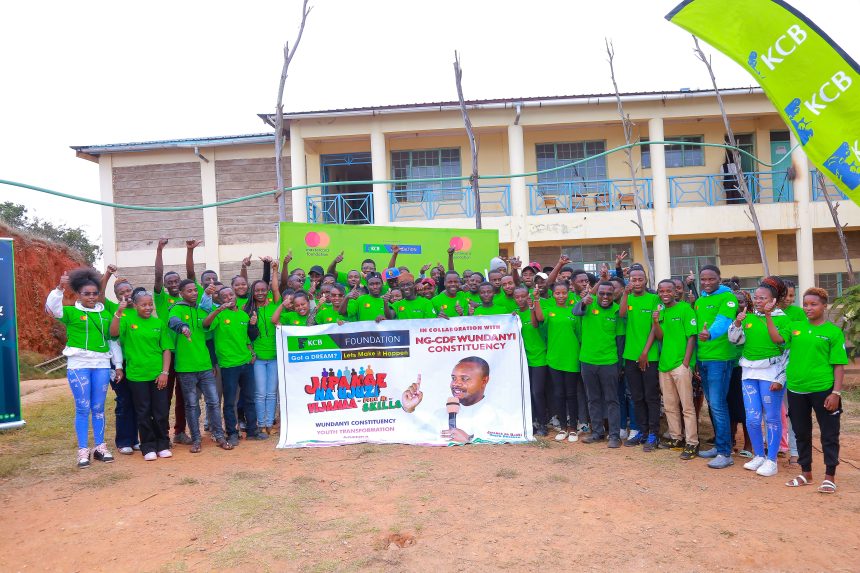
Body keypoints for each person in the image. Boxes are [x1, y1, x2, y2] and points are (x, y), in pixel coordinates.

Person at [766, 288, 848, 494]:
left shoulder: (833, 332)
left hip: (823, 390)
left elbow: (839, 365)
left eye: (813, 304)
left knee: (829, 434)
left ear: (824, 306)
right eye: (805, 304)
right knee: (801, 433)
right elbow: (777, 339)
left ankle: (829, 477)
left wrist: (836, 393)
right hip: (796, 389)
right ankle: (806, 473)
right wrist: (768, 315)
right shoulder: (795, 327)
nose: (808, 308)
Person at [45, 268, 123, 468]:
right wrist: (59, 288)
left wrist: (118, 365)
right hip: (78, 365)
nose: (91, 297)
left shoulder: (106, 314)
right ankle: (82, 450)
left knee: (98, 407)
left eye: (94, 293)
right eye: (86, 293)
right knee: (82, 407)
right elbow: (52, 309)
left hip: (102, 365)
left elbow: (112, 340)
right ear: (78, 294)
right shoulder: (71, 312)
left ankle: (100, 447)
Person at [728, 277, 790, 477]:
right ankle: (759, 456)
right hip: (749, 373)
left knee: (771, 418)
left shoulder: (783, 319)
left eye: (763, 298)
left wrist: (780, 378)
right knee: (752, 418)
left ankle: (772, 460)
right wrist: (738, 322)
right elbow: (734, 340)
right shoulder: (749, 318)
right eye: (756, 297)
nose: (758, 301)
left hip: (771, 373)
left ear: (774, 300)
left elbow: (785, 348)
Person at [165, 279, 232, 453]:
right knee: (192, 405)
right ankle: (196, 439)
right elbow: (172, 321)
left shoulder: (202, 310)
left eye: (195, 290)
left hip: (205, 366)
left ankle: (219, 435)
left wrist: (217, 310)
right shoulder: (177, 308)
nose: (194, 293)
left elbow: (207, 325)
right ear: (181, 293)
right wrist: (182, 327)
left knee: (213, 402)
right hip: (186, 368)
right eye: (189, 291)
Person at [109, 289, 173, 460]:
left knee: (160, 411)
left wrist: (165, 372)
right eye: (143, 305)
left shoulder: (158, 323)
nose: (148, 307)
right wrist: (118, 312)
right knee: (143, 412)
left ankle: (162, 444)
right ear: (136, 306)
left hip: (158, 375)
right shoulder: (127, 320)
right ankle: (148, 446)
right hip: (137, 375)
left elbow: (166, 349)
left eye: (150, 304)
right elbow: (113, 333)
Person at [204, 286, 268, 446]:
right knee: (230, 401)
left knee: (249, 398)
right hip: (228, 364)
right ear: (220, 300)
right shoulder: (219, 315)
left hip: (246, 362)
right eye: (224, 296)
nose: (229, 298)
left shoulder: (243, 315)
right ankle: (232, 433)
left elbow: (246, 338)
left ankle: (252, 431)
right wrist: (218, 310)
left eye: (231, 295)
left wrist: (251, 352)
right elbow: (205, 324)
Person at [694, 265, 739, 469]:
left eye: (711, 279)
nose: (706, 282)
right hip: (703, 358)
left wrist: (710, 333)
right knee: (712, 404)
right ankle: (720, 446)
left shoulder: (728, 298)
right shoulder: (700, 301)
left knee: (718, 405)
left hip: (720, 359)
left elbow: (723, 321)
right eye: (703, 279)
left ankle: (725, 453)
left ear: (719, 279)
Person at [401, 357, 504, 444]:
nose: (455, 384)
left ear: (484, 381)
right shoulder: (440, 415)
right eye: (454, 378)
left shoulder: (498, 416)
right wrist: (408, 409)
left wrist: (469, 440)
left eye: (464, 379)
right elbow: (410, 437)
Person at [652, 279, 699, 460]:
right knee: (670, 406)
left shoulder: (685, 309)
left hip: (680, 365)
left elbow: (692, 337)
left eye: (668, 290)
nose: (665, 294)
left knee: (687, 406)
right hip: (664, 365)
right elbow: (660, 337)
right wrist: (655, 321)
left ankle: (692, 442)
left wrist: (686, 363)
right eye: (661, 291)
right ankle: (676, 438)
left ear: (675, 292)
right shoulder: (661, 311)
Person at [574, 282, 623, 448]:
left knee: (612, 400)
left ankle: (614, 436)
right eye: (602, 293)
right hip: (587, 361)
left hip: (609, 362)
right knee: (593, 399)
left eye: (609, 294)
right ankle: (597, 432)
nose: (605, 297)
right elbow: (575, 311)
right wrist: (582, 302)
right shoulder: (589, 303)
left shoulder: (617, 310)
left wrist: (619, 365)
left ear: (614, 295)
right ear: (597, 294)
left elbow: (620, 340)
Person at [152, 238, 191, 445]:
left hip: (185, 353)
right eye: (170, 282)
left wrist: (189, 251)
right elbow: (158, 275)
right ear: (165, 286)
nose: (174, 284)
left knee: (183, 396)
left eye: (176, 281)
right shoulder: (161, 299)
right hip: (167, 353)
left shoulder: (187, 299)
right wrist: (159, 249)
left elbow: (191, 275)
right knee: (164, 396)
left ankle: (180, 432)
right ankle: (162, 434)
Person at [99, 266, 139, 455]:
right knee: (123, 400)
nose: (126, 294)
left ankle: (135, 439)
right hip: (117, 363)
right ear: (116, 296)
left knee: (137, 401)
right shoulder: (112, 309)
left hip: (136, 362)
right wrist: (107, 274)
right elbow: (100, 295)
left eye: (128, 290)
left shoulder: (140, 310)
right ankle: (123, 441)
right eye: (121, 293)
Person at [619, 268, 660, 450]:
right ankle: (642, 432)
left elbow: (654, 327)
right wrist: (625, 294)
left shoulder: (654, 299)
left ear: (645, 281)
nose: (636, 282)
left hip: (649, 356)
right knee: (637, 397)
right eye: (633, 279)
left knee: (651, 396)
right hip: (630, 356)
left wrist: (644, 352)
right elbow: (622, 314)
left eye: (640, 279)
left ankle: (653, 434)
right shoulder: (627, 298)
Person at [534, 282, 581, 441]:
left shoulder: (574, 312)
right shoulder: (549, 310)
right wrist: (536, 300)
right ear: (553, 295)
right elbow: (540, 318)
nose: (561, 296)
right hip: (554, 359)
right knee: (559, 394)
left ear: (568, 293)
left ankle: (573, 428)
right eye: (557, 293)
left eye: (564, 293)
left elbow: (579, 335)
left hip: (571, 358)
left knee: (571, 394)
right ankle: (563, 428)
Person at [246, 265, 281, 435]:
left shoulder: (276, 305)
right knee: (260, 393)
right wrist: (252, 352)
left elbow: (276, 288)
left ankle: (269, 423)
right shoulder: (248, 310)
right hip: (258, 358)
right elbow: (245, 336)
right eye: (257, 290)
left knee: (272, 392)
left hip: (275, 356)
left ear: (267, 291)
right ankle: (260, 423)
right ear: (252, 293)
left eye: (263, 290)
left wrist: (274, 270)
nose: (260, 293)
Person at [515, 287, 549, 436]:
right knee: (527, 392)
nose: (520, 299)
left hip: (539, 357)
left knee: (537, 392)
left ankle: (543, 424)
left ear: (528, 297)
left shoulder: (535, 311)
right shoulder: (514, 315)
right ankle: (531, 422)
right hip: (523, 359)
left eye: (523, 296)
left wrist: (531, 308)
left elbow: (535, 324)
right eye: (517, 297)